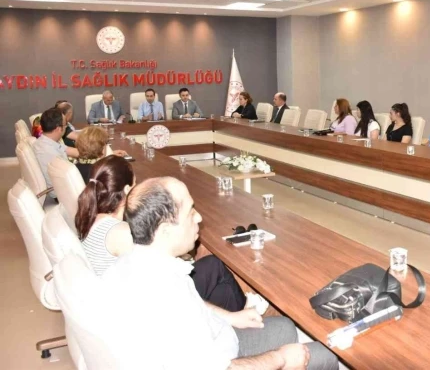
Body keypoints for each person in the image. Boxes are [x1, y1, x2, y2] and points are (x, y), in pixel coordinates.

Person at [103, 177, 338, 370]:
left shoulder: (138, 262)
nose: (198, 217)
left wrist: (231, 317)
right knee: (325, 356)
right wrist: (281, 359)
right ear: (165, 230)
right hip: (224, 361)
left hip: (219, 340)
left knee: (285, 326)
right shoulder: (164, 295)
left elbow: (193, 305)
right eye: (190, 212)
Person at [77, 161, 260, 314]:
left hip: (122, 298)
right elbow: (160, 282)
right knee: (214, 266)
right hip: (145, 306)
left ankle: (240, 313)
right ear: (127, 190)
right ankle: (246, 313)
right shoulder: (121, 233)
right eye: (135, 185)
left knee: (221, 287)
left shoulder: (92, 218)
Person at [32, 108, 80, 198]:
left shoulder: (46, 141)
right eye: (65, 125)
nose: (66, 127)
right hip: (64, 193)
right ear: (58, 129)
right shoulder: (48, 152)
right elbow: (67, 179)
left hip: (64, 183)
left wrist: (98, 152)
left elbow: (74, 152)